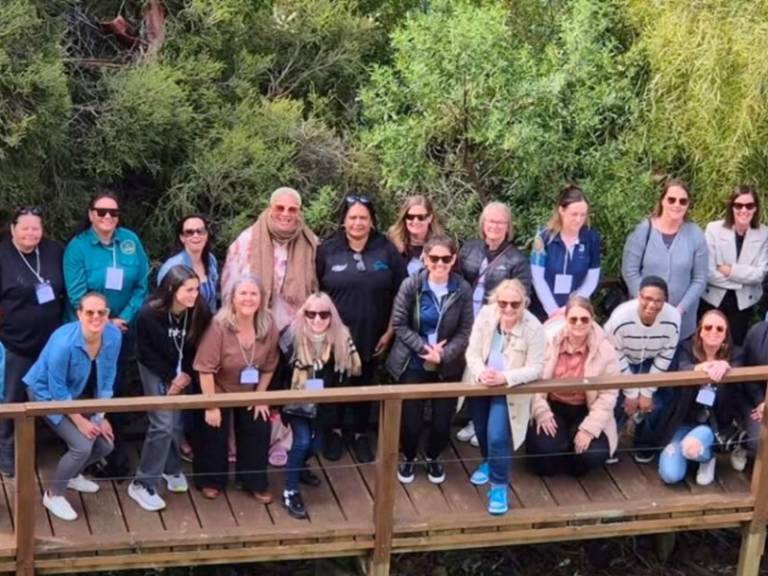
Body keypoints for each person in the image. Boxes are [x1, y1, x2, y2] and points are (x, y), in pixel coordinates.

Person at [63, 190, 150, 475]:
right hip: (88, 334)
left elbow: (142, 285)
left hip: (122, 332)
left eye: (113, 212)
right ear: (91, 215)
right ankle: (87, 457)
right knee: (88, 391)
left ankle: (117, 454)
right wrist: (106, 320)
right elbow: (77, 294)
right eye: (101, 212)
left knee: (117, 388)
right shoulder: (78, 248)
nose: (108, 217)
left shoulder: (129, 241)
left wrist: (122, 318)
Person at [316, 195, 406, 463]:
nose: (358, 222)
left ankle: (357, 433)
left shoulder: (386, 250)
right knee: (331, 383)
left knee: (364, 382)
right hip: (333, 336)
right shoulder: (328, 250)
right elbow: (315, 292)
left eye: (363, 217)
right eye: (352, 217)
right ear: (343, 220)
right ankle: (331, 431)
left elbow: (399, 293)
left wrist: (389, 332)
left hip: (373, 334)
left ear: (372, 221)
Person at [24, 292, 122, 521]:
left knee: (106, 444)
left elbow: (108, 378)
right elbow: (57, 390)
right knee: (82, 446)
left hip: (75, 394)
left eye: (101, 312)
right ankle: (53, 493)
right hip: (44, 393)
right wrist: (80, 422)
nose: (96, 317)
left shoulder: (114, 336)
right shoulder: (63, 343)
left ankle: (73, 475)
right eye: (90, 312)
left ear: (108, 315)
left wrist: (99, 416)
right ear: (79, 314)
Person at [387, 236, 473, 484]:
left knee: (441, 423)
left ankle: (433, 457)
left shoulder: (462, 289)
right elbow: (399, 324)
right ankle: (410, 457)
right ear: (425, 258)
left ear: (453, 260)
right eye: (434, 258)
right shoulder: (410, 285)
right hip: (413, 360)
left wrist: (443, 355)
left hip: (448, 364)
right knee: (411, 421)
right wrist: (424, 348)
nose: (439, 263)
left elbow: (466, 330)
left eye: (445, 258)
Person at [128, 266, 211, 512]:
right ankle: (143, 483)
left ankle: (170, 467)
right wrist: (170, 379)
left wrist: (185, 374)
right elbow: (144, 352)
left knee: (175, 423)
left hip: (183, 371)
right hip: (154, 367)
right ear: (172, 289)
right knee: (162, 423)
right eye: (189, 290)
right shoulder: (148, 314)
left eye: (196, 289)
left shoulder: (199, 310)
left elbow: (197, 346)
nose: (194, 295)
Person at [192, 275, 279, 502]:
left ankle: (254, 482)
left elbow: (270, 365)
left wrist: (260, 396)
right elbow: (205, 369)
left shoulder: (268, 325)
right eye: (243, 293)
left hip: (250, 390)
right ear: (232, 298)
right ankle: (210, 480)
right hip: (219, 388)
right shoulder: (219, 326)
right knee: (213, 429)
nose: (248, 298)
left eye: (253, 293)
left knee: (259, 425)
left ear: (261, 298)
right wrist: (211, 405)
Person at [463, 279, 546, 515]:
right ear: (495, 301)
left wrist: (505, 377)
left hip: (509, 387)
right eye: (503, 303)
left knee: (498, 434)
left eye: (514, 304)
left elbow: (537, 367)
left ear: (524, 303)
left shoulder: (534, 327)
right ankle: (489, 462)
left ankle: (499, 486)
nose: (508, 309)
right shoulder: (487, 315)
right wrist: (482, 372)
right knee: (481, 428)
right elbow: (472, 350)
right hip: (482, 381)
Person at [277, 293, 361, 519]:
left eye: (323, 314)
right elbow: (278, 372)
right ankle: (290, 491)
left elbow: (346, 377)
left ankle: (298, 465)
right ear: (303, 314)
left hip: (323, 405)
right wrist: (276, 402)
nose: (317, 319)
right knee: (302, 440)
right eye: (311, 313)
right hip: (295, 401)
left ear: (331, 315)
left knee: (316, 446)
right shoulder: (289, 336)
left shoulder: (342, 339)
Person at [457, 202, 532, 447]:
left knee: (491, 367)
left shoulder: (517, 259)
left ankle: (485, 426)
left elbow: (522, 295)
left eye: (500, 222)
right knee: (470, 368)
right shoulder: (469, 249)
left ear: (508, 226)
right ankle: (473, 419)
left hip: (497, 326)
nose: (495, 226)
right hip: (466, 321)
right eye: (490, 221)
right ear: (483, 224)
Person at [0, 206, 65, 476]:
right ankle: (6, 453)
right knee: (10, 399)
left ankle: (36, 449)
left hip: (50, 344)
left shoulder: (53, 251)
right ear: (13, 228)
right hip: (13, 343)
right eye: (24, 227)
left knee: (46, 398)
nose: (30, 233)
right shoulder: (2, 255)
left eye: (35, 228)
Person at [527, 295, 619, 476]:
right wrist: (540, 411)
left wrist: (589, 428)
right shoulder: (546, 342)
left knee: (594, 454)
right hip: (552, 403)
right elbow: (531, 379)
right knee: (543, 448)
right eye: (573, 319)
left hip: (586, 407)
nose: (579, 323)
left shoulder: (606, 349)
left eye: (584, 319)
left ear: (592, 320)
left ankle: (575, 465)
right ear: (565, 320)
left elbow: (609, 393)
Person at [658, 310, 742, 486]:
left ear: (726, 334)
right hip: (683, 422)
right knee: (670, 475)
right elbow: (679, 368)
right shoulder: (685, 348)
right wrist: (698, 368)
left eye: (719, 329)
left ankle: (706, 458)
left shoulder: (737, 354)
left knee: (693, 444)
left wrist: (725, 365)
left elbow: (739, 368)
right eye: (708, 327)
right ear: (700, 331)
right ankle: (692, 452)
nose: (713, 331)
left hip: (713, 424)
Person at [604, 276, 681, 464]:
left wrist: (646, 392)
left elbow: (665, 356)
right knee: (616, 402)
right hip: (619, 360)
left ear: (665, 301)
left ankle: (644, 444)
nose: (651, 305)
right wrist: (631, 392)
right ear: (639, 296)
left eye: (658, 300)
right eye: (647, 298)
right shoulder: (620, 318)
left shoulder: (673, 319)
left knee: (656, 405)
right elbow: (615, 354)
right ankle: (609, 445)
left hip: (652, 360)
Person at [622, 179, 708, 342]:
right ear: (662, 200)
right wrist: (647, 303)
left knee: (676, 365)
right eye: (671, 199)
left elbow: (700, 279)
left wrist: (679, 310)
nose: (677, 205)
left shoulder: (695, 234)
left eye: (683, 201)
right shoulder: (642, 230)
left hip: (681, 323)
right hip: (643, 317)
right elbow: (630, 271)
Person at [221, 187, 317, 331]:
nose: (285, 214)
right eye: (280, 208)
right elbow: (229, 288)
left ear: (299, 212)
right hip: (254, 327)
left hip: (297, 331)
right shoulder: (246, 241)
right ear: (270, 209)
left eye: (292, 209)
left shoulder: (311, 242)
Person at [700, 186, 768, 346]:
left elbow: (760, 274)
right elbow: (707, 271)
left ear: (756, 208)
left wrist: (730, 270)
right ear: (731, 207)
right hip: (712, 300)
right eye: (738, 205)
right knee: (707, 345)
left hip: (743, 305)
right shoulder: (713, 229)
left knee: (734, 348)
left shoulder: (764, 233)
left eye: (749, 205)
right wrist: (743, 279)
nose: (744, 210)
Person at [530, 186, 601, 321]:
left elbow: (592, 279)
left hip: (576, 313)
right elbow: (537, 277)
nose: (579, 219)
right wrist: (553, 311)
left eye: (583, 215)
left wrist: (573, 307)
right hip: (543, 310)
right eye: (574, 214)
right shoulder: (544, 237)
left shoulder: (591, 239)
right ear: (561, 211)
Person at [158, 215, 219, 313]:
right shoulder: (172, 267)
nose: (196, 235)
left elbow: (212, 303)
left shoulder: (211, 260)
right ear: (182, 238)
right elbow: (164, 304)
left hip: (208, 324)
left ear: (206, 235)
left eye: (200, 231)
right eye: (189, 232)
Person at [387, 195, 444, 277]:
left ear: (429, 218)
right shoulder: (392, 242)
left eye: (421, 217)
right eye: (410, 217)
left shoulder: (441, 245)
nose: (415, 221)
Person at [736, 320, 768, 469]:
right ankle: (741, 442)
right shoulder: (757, 332)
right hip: (754, 399)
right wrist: (761, 401)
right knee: (759, 441)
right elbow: (746, 372)